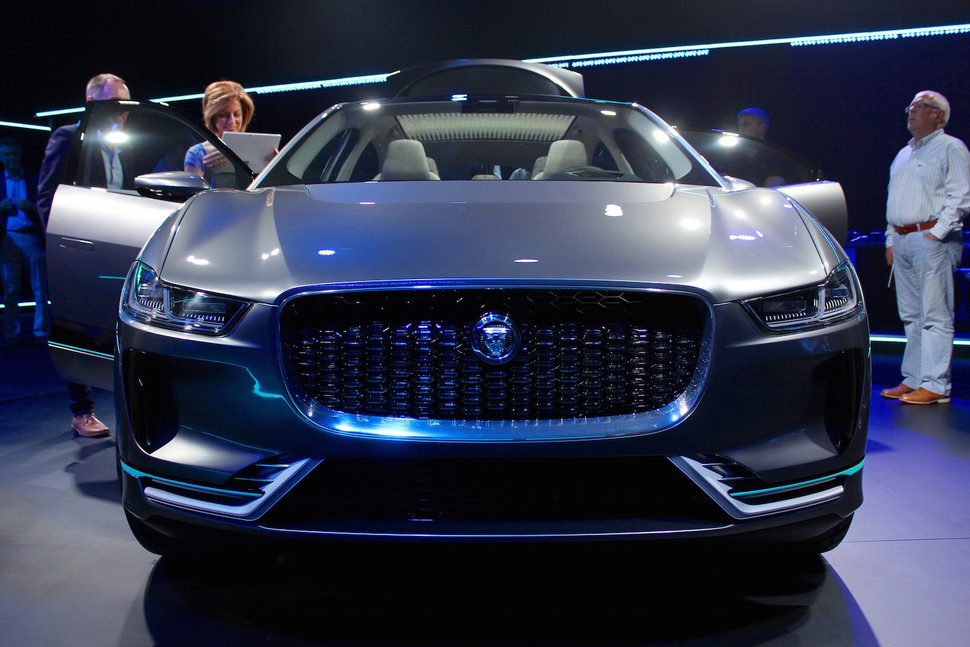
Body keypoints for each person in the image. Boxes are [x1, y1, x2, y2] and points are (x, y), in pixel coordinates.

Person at [36, 73, 130, 438]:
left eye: (125, 104)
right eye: (115, 104)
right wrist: (62, 244)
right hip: (75, 251)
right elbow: (47, 195)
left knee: (116, 326)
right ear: (91, 104)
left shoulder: (119, 146)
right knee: (74, 327)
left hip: (111, 249)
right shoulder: (67, 137)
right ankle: (82, 411)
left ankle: (125, 405)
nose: (123, 112)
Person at [881, 90, 970, 405]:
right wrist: (891, 239)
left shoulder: (950, 148)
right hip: (903, 239)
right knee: (911, 314)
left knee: (935, 314)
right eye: (912, 105)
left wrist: (938, 232)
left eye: (922, 106)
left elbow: (962, 194)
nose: (913, 110)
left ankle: (936, 384)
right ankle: (914, 379)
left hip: (931, 238)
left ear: (939, 116)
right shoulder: (903, 153)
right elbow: (894, 199)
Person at [1, 137, 47, 347]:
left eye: (14, 154)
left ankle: (41, 332)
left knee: (40, 289)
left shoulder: (33, 178)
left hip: (32, 237)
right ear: (1, 158)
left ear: (20, 155)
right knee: (10, 290)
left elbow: (46, 206)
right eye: (7, 154)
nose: (11, 158)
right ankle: (11, 334)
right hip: (7, 239)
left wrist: (31, 207)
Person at [184, 80, 256, 185]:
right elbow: (193, 193)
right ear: (212, 117)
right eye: (224, 115)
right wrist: (208, 173)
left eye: (237, 114)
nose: (232, 121)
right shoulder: (196, 153)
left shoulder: (256, 149)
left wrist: (273, 166)